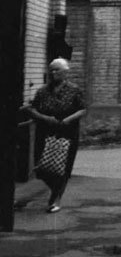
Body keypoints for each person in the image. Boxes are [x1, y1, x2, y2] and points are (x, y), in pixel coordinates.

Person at [25, 58, 86, 212]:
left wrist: (67, 120)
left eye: (57, 69)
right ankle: (55, 189)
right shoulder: (42, 91)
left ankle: (56, 199)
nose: (53, 73)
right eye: (51, 69)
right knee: (41, 167)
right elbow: (33, 108)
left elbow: (82, 109)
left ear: (65, 72)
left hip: (67, 132)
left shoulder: (74, 90)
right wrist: (44, 118)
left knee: (62, 167)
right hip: (45, 131)